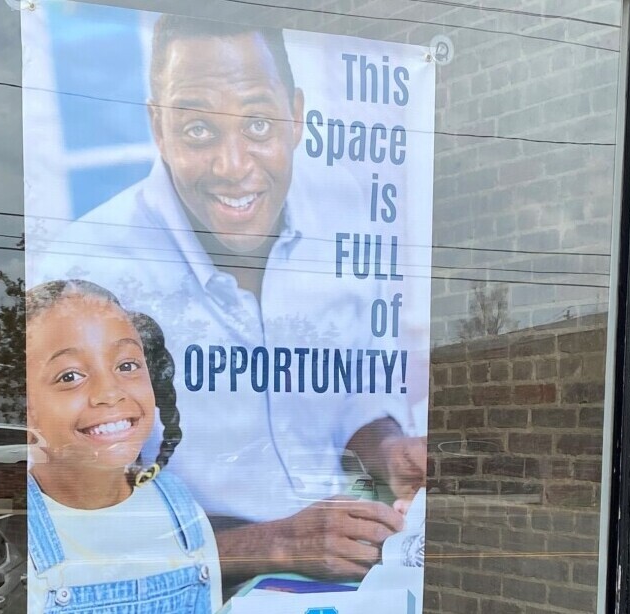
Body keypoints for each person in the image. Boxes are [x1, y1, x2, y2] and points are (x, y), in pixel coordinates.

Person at [30, 14, 427, 583]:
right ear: (158, 128)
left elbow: (343, 399)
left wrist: (388, 450)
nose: (234, 166)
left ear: (296, 115)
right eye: (198, 130)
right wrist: (273, 543)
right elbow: (78, 516)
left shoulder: (341, 224)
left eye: (259, 124)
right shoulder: (86, 275)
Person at [24, 279, 221, 613]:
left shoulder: (181, 512)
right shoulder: (21, 535)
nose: (110, 392)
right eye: (70, 376)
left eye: (127, 365)